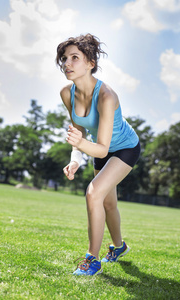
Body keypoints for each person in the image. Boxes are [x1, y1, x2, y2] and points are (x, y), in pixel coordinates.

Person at [56, 33, 140, 276]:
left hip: (124, 147)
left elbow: (101, 147)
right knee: (107, 201)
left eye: (74, 58)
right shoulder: (66, 93)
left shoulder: (106, 96)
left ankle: (92, 260)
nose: (67, 64)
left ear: (91, 63)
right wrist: (74, 160)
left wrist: (81, 144)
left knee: (93, 193)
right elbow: (79, 131)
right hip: (99, 148)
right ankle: (119, 247)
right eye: (64, 59)